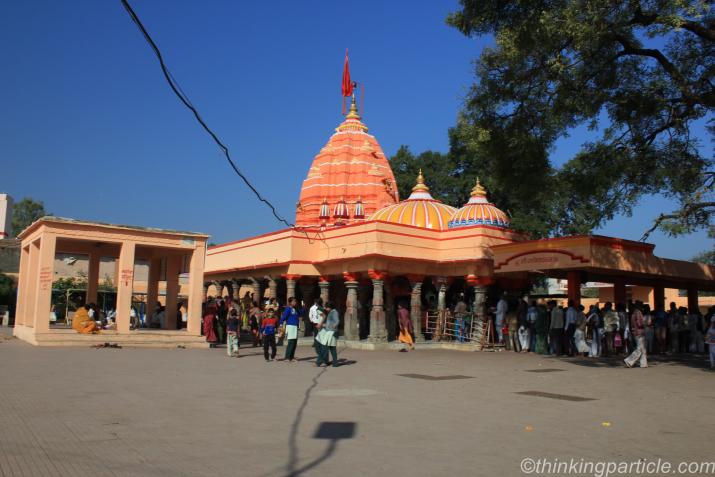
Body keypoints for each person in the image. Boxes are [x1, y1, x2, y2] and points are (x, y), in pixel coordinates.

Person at [624, 302, 648, 368]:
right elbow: (640, 323)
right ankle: (629, 360)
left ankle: (643, 364)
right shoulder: (638, 313)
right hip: (639, 332)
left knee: (642, 349)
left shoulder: (633, 313)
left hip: (635, 332)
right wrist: (645, 324)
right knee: (639, 349)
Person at [316, 301, 340, 366]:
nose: (326, 309)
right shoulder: (332, 312)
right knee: (332, 348)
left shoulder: (334, 312)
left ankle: (318, 362)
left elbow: (337, 321)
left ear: (330, 307)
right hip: (331, 331)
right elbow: (331, 323)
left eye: (326, 307)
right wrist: (325, 325)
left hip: (331, 332)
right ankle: (335, 363)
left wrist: (331, 327)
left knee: (324, 348)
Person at [280, 297, 300, 362]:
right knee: (291, 342)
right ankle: (287, 357)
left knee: (294, 342)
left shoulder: (295, 309)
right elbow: (284, 317)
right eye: (294, 301)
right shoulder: (288, 309)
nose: (295, 302)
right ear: (290, 302)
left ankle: (291, 357)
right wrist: (280, 324)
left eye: (295, 301)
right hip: (290, 327)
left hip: (295, 327)